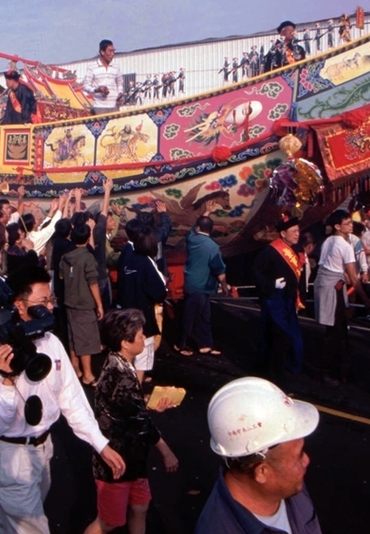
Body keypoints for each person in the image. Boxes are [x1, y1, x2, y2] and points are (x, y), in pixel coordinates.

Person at [0, 264, 125, 534]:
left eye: (51, 300)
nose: (49, 307)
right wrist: (7, 380)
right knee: (32, 528)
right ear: (18, 305)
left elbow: (71, 397)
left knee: (10, 527)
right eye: (42, 302)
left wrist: (100, 443)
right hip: (10, 458)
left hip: (42, 451)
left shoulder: (51, 343)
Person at [85, 309, 179, 534]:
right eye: (139, 335)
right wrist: (166, 451)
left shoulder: (116, 364)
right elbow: (140, 420)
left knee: (140, 507)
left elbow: (127, 404)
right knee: (108, 522)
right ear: (125, 343)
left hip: (131, 457)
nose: (144, 338)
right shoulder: (122, 377)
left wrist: (147, 402)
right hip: (117, 460)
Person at [195, 377, 322, 534]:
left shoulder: (288, 482)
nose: (306, 460)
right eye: (298, 455)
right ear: (261, 472)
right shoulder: (219, 529)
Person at [252, 215, 307, 382]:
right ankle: (273, 375)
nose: (297, 234)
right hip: (274, 300)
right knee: (278, 336)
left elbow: (301, 275)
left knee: (291, 336)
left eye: (298, 230)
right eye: (294, 231)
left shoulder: (297, 248)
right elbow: (257, 274)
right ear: (283, 233)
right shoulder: (270, 252)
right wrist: (271, 284)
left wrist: (300, 297)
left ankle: (288, 366)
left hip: (290, 299)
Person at [118, 225, 168, 384]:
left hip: (126, 313)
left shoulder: (128, 258)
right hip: (143, 315)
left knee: (128, 353)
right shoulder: (147, 263)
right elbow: (159, 292)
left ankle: (126, 386)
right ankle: (136, 391)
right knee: (143, 355)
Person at [314, 210, 359, 385]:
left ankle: (337, 370)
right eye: (347, 223)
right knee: (336, 333)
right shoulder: (344, 246)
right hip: (333, 289)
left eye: (351, 222)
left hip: (326, 285)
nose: (351, 225)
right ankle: (333, 371)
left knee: (332, 331)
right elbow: (353, 276)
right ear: (337, 226)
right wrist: (364, 297)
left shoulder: (328, 241)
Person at [61, 222, 105, 385]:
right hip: (84, 303)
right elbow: (93, 283)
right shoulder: (88, 257)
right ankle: (88, 375)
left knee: (73, 336)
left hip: (70, 302)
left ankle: (76, 368)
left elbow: (61, 276)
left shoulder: (66, 257)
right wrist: (99, 304)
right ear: (87, 238)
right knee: (86, 338)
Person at [178, 215, 227, 357]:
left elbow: (193, 230)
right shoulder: (213, 247)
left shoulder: (192, 239)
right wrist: (224, 286)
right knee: (191, 318)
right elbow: (219, 269)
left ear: (198, 227)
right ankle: (180, 345)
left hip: (192, 284)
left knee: (203, 316)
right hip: (201, 286)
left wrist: (206, 212)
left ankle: (205, 344)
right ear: (211, 229)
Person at [82, 39, 124, 114]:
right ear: (102, 52)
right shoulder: (92, 68)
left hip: (114, 107)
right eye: (110, 51)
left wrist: (120, 94)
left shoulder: (116, 67)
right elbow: (85, 86)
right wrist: (97, 90)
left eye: (113, 51)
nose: (112, 54)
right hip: (99, 107)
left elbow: (120, 84)